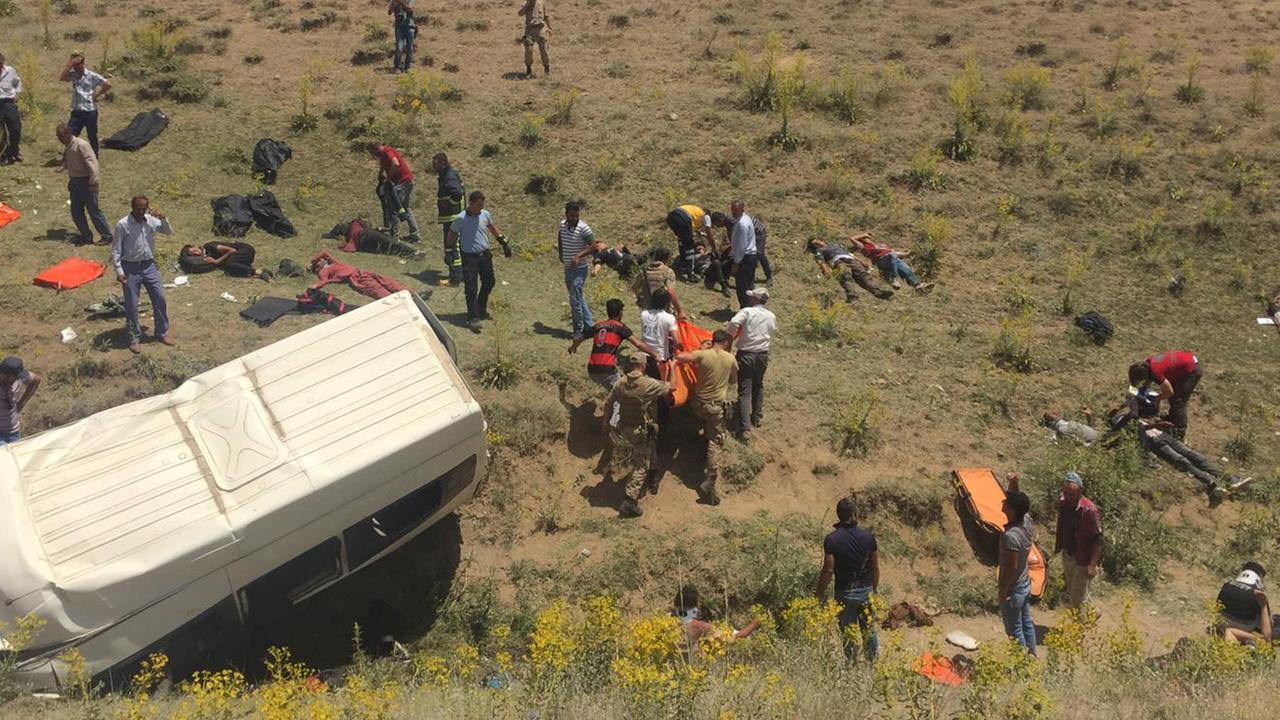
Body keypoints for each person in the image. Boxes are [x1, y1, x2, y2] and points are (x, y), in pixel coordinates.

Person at [1108, 395, 1251, 502]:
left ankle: (1229, 478)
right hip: (1155, 441)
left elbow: (1143, 412)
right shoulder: (1118, 422)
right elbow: (1135, 430)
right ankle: (1212, 484)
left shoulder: (1131, 414)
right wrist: (1154, 426)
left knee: (1193, 456)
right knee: (1182, 460)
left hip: (1161, 435)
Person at [675, 330, 738, 506]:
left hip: (697, 404)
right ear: (725, 342)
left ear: (713, 341)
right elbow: (733, 381)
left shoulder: (702, 355)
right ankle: (710, 478)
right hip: (714, 407)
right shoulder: (730, 359)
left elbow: (680, 357)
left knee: (705, 423)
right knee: (716, 440)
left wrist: (701, 348)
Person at [603, 354, 670, 518]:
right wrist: (672, 369)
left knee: (645, 451)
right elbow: (671, 386)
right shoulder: (648, 384)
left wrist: (605, 423)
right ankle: (630, 500)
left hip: (624, 428)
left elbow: (608, 403)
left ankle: (654, 478)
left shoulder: (620, 383)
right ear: (643, 366)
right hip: (640, 430)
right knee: (641, 465)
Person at [816, 496, 880, 662]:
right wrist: (874, 590)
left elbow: (828, 570)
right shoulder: (868, 537)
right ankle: (872, 665)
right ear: (854, 514)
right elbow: (875, 568)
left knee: (847, 632)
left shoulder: (832, 539)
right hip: (866, 591)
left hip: (844, 593)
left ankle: (851, 664)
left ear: (839, 515)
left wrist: (819, 593)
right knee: (869, 631)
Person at [569, 298, 659, 414]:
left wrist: (573, 347)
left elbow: (580, 338)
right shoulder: (620, 327)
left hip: (592, 369)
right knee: (621, 397)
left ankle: (610, 412)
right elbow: (638, 344)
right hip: (607, 370)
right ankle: (614, 425)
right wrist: (655, 354)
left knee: (617, 387)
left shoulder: (598, 325)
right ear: (621, 312)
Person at [112, 196, 175, 354]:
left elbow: (168, 232)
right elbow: (116, 250)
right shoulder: (122, 225)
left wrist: (164, 219)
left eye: (144, 208)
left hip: (149, 266)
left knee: (160, 297)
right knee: (132, 305)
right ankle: (134, 337)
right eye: (139, 209)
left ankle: (161, 333)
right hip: (130, 268)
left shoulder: (150, 220)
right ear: (132, 208)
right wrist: (119, 271)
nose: (141, 212)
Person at [448, 191, 507, 332]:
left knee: (489, 281)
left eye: (482, 204)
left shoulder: (485, 214)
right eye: (479, 205)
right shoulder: (461, 218)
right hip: (469, 257)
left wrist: (503, 242)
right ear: (471, 203)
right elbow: (452, 233)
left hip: (484, 255)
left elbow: (492, 228)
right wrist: (449, 251)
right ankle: (473, 317)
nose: (481, 207)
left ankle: (480, 306)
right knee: (471, 287)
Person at [726, 288, 775, 435]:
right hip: (762, 355)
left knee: (745, 388)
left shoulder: (747, 311)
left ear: (755, 299)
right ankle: (757, 416)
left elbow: (734, 323)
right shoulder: (771, 316)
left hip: (746, 354)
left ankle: (744, 425)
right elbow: (771, 330)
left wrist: (730, 337)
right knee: (758, 385)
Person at [1053, 472, 1102, 609]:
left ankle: (1082, 624)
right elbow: (1062, 524)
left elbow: (1098, 539)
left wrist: (1092, 564)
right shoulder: (1063, 503)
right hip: (1068, 553)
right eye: (1066, 493)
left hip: (1083, 559)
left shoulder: (1089, 510)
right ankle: (1090, 614)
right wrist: (1058, 547)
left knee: (1077, 598)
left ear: (1080, 492)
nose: (1068, 497)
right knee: (1072, 590)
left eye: (1072, 495)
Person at [57, 123, 111, 246]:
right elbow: (70, 160)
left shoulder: (81, 145)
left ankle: (106, 236)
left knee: (93, 211)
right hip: (74, 181)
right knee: (76, 211)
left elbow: (92, 164)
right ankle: (86, 236)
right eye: (59, 138)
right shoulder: (69, 146)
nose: (60, 140)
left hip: (86, 182)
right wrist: (63, 167)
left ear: (68, 133)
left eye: (62, 137)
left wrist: (93, 182)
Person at [998, 488, 1037, 655]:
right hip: (1024, 583)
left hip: (1013, 589)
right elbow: (1022, 504)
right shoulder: (1027, 522)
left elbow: (1011, 567)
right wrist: (1014, 483)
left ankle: (1022, 665)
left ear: (1012, 510)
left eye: (1006, 502)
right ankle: (1031, 657)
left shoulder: (1011, 537)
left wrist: (1003, 590)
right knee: (1026, 623)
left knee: (1014, 630)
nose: (1002, 503)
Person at [1128, 350, 1200, 439]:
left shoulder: (1156, 372)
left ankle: (1179, 432)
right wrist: (1143, 389)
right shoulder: (1148, 364)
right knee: (1174, 397)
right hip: (1187, 361)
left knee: (1178, 401)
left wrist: (1157, 398)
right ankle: (1172, 419)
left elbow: (1169, 392)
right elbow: (1149, 378)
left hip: (1192, 370)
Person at [639, 288, 680, 432]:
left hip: (643, 358)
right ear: (666, 303)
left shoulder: (643, 314)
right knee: (663, 392)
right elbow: (677, 340)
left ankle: (644, 420)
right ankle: (662, 426)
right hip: (660, 360)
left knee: (644, 391)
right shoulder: (669, 318)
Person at [807, 238, 894, 303]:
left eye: (817, 240)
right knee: (846, 277)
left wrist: (862, 262)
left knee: (863, 276)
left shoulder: (835, 244)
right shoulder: (819, 251)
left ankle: (878, 292)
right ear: (814, 247)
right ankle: (853, 298)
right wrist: (826, 270)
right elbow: (821, 261)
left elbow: (849, 254)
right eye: (815, 243)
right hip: (838, 263)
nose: (818, 242)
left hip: (851, 260)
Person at [59, 52, 111, 157]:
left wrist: (97, 95)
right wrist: (69, 65)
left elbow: (107, 84)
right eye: (74, 66)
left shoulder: (92, 76)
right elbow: (62, 78)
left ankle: (94, 157)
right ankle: (66, 159)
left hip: (90, 111)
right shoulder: (73, 75)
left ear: (83, 64)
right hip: (77, 111)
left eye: (77, 65)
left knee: (92, 135)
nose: (76, 68)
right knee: (70, 135)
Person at [367, 142, 420, 244]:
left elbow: (396, 164)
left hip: (404, 181)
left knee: (395, 207)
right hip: (406, 181)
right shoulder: (383, 155)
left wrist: (388, 178)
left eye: (371, 151)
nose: (372, 154)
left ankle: (394, 236)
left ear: (375, 148)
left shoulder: (388, 151)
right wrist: (380, 174)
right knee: (405, 208)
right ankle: (415, 235)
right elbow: (383, 164)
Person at [673, 586, 761, 646]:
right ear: (695, 607)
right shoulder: (700, 626)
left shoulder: (669, 623)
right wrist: (755, 624)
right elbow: (735, 637)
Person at [559, 201, 596, 338]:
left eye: (577, 215)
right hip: (568, 268)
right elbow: (560, 238)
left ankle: (578, 330)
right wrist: (561, 254)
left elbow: (593, 246)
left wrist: (578, 256)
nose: (575, 218)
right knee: (578, 297)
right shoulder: (562, 225)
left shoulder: (583, 228)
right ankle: (590, 326)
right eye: (572, 215)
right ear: (566, 214)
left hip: (580, 269)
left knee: (574, 300)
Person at [851, 232, 934, 293]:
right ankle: (891, 279)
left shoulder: (881, 246)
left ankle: (918, 286)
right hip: (881, 260)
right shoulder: (864, 247)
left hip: (892, 258)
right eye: (865, 239)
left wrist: (907, 254)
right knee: (891, 255)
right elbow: (852, 238)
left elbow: (894, 253)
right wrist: (864, 234)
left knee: (905, 269)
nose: (868, 239)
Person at [1217, 562, 1276, 646]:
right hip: (1244, 626)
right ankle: (1254, 640)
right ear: (1259, 576)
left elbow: (1217, 606)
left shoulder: (1227, 585)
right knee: (1267, 618)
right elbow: (1267, 627)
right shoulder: (1256, 593)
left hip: (1221, 623)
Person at [309, 251, 408, 300]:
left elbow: (324, 253)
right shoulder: (323, 272)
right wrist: (316, 286)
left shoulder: (332, 263)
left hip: (361, 272)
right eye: (319, 261)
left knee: (387, 281)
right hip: (355, 278)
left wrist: (314, 259)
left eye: (321, 259)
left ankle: (410, 293)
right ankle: (397, 301)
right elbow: (324, 280)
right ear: (317, 267)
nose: (321, 260)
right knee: (376, 289)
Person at [433, 153, 465, 283]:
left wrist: (449, 203)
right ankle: (456, 274)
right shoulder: (445, 176)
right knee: (451, 246)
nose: (433, 166)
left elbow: (457, 193)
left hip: (453, 217)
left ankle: (456, 276)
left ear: (443, 163)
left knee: (452, 246)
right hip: (450, 217)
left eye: (435, 163)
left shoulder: (449, 176)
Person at [322, 218, 421, 257]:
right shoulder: (355, 223)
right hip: (364, 234)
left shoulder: (350, 232)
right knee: (388, 244)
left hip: (362, 244)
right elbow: (366, 225)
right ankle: (412, 252)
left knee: (386, 248)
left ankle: (411, 253)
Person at [665, 204, 716, 279]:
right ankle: (690, 273)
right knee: (689, 246)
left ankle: (682, 267)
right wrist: (713, 247)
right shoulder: (706, 215)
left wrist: (701, 234)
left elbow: (694, 230)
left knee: (682, 242)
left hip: (671, 217)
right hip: (683, 217)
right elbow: (709, 233)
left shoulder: (695, 213)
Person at [631, 247, 685, 317]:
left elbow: (634, 288)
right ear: (667, 259)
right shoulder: (668, 272)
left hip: (647, 309)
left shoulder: (644, 272)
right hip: (664, 309)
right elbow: (671, 291)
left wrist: (641, 298)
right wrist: (680, 311)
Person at [0, 357, 40, 446]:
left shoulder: (18, 380)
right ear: (6, 375)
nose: (18, 379)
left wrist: (22, 402)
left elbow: (36, 379)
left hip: (13, 432)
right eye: (16, 376)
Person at [179, 243, 273, 280]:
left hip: (244, 249)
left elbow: (232, 250)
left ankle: (258, 272)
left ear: (195, 246)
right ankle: (257, 272)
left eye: (194, 250)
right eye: (193, 254)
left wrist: (216, 261)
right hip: (238, 259)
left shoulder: (209, 246)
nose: (196, 253)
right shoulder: (205, 257)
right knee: (230, 270)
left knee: (230, 265)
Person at [727, 200, 759, 309]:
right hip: (748, 257)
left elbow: (742, 245)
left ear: (742, 209)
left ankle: (746, 310)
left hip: (745, 258)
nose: (733, 212)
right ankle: (750, 309)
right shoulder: (743, 220)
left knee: (743, 287)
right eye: (732, 210)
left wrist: (736, 262)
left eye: (735, 210)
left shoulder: (742, 224)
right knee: (748, 286)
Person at [518, 0, 552, 78]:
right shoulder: (526, 3)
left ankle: (547, 70)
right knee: (528, 51)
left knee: (544, 50)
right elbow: (520, 13)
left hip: (541, 29)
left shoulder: (541, 3)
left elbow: (546, 16)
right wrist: (527, 5)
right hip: (530, 30)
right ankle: (528, 70)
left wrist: (550, 28)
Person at [0, 52, 22, 165]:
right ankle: (3, 155)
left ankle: (14, 150)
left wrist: (17, 94)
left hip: (9, 103)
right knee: (1, 132)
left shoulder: (10, 71)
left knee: (16, 128)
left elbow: (17, 82)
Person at [388, 0, 417, 73]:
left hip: (410, 26)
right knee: (399, 47)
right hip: (399, 27)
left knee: (410, 48)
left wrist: (401, 2)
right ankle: (396, 67)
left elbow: (411, 10)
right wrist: (394, 4)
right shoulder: (393, 1)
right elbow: (389, 12)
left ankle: (408, 67)